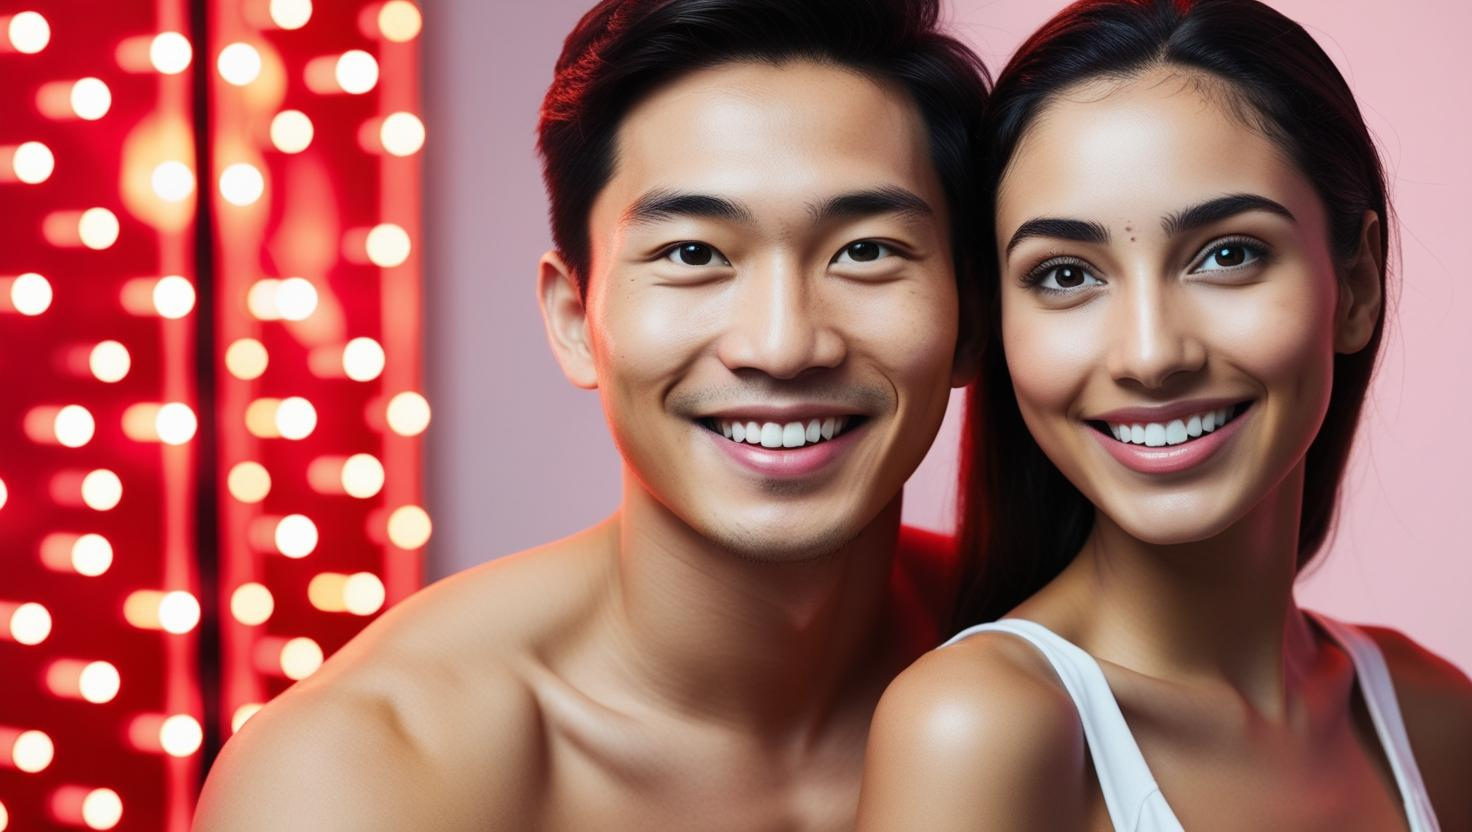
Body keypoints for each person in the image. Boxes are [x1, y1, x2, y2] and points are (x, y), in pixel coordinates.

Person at [194, 0, 990, 829]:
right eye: (692, 254)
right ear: (575, 322)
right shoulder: (357, 777)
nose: (783, 345)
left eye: (865, 251)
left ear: (970, 318)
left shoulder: (1059, 658)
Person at [857, 1, 1472, 830]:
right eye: (1067, 274)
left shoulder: (1433, 716)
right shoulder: (978, 729)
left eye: (1228, 255)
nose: (1150, 355)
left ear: (1355, 286)